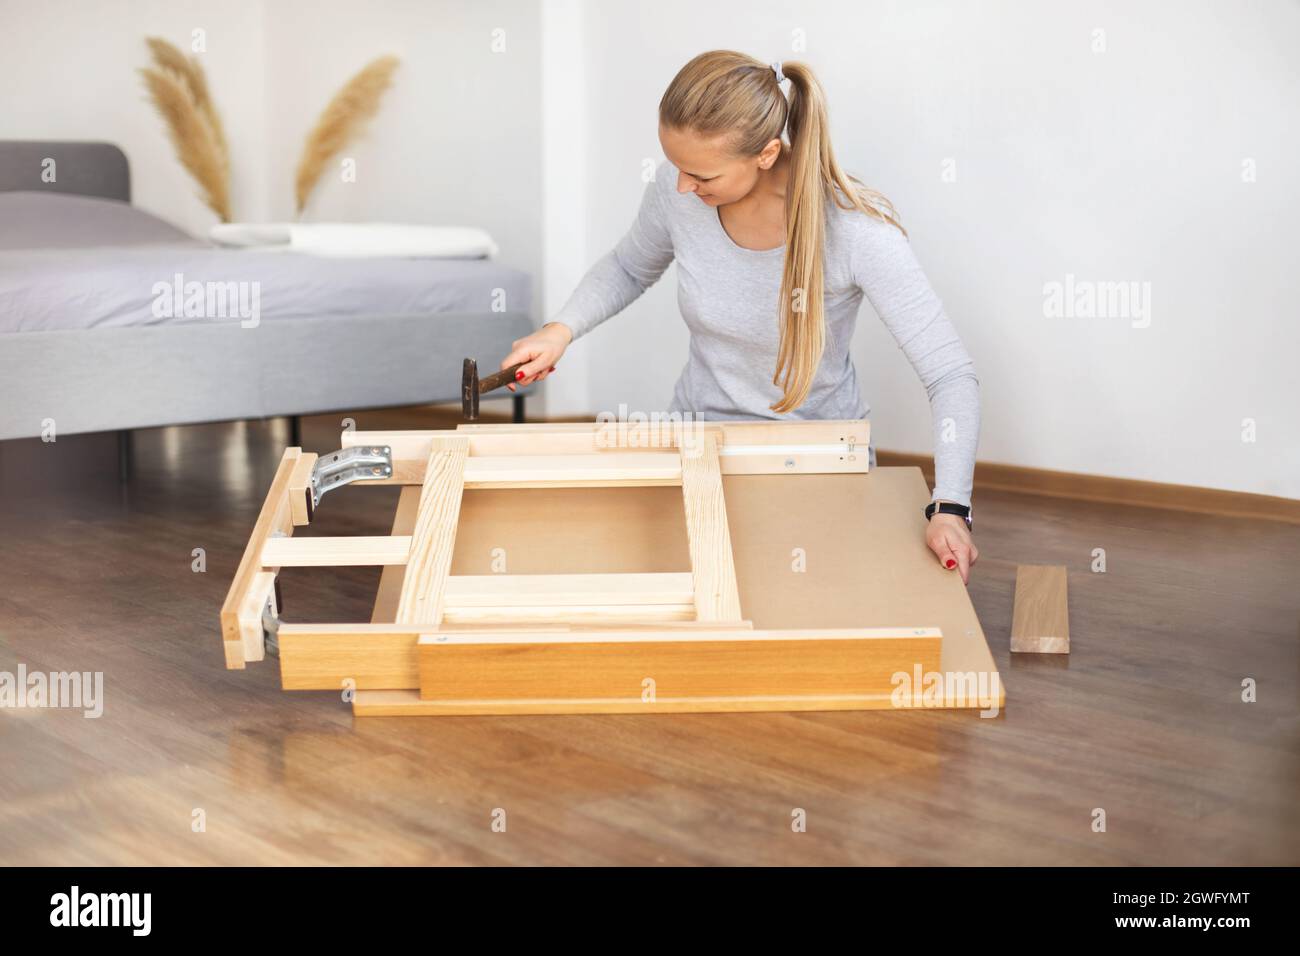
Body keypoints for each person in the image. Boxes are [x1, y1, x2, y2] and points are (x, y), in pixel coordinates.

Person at [503, 50, 980, 581]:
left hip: (818, 456)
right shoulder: (678, 191)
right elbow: (628, 267)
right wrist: (559, 330)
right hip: (699, 440)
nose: (682, 186)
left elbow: (949, 374)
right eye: (675, 166)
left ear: (767, 153)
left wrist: (952, 507)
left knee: (801, 606)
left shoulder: (856, 230)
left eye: (700, 174)